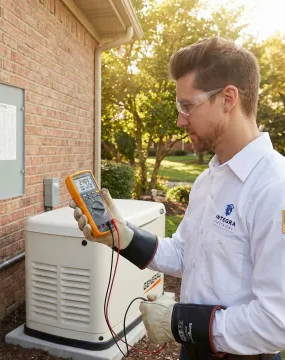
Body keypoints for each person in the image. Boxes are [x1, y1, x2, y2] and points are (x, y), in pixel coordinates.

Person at [69, 36, 285, 360]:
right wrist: (121, 235)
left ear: (228, 99)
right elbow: (186, 254)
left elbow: (275, 324)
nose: (181, 119)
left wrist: (178, 322)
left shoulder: (274, 188)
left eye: (187, 105)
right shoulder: (206, 181)